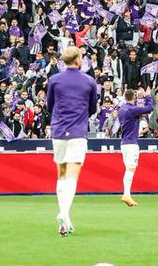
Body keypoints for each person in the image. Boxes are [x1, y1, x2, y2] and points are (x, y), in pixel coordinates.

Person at [46, 46, 98, 236]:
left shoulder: (54, 80)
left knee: (61, 173)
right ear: (78, 60)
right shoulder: (89, 81)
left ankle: (64, 217)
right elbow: (93, 108)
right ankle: (64, 213)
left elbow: (49, 105)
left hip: (58, 131)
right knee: (73, 174)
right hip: (77, 131)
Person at [116, 87, 153, 207]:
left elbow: (136, 108)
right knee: (130, 169)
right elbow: (149, 108)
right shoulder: (132, 110)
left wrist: (138, 98)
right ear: (134, 97)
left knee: (128, 169)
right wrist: (147, 96)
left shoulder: (122, 109)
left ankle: (127, 194)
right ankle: (126, 194)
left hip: (124, 143)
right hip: (131, 144)